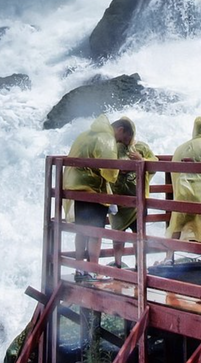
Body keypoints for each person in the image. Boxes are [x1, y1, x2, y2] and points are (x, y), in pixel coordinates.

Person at [63, 115, 134, 281]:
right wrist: (119, 172)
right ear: (120, 130)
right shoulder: (106, 138)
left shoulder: (86, 134)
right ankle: (94, 269)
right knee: (96, 232)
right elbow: (110, 171)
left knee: (81, 230)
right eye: (123, 140)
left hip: (76, 187)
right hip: (93, 188)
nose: (120, 144)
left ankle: (80, 269)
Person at [165, 116, 201, 265]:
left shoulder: (180, 148)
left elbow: (173, 172)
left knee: (176, 224)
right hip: (200, 194)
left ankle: (168, 257)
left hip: (181, 193)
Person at [109, 123, 157, 268]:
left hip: (137, 200)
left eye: (129, 136)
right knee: (118, 234)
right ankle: (117, 263)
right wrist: (119, 170)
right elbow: (106, 167)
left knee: (138, 235)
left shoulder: (141, 147)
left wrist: (141, 160)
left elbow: (155, 163)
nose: (126, 139)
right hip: (118, 200)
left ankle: (139, 265)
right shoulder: (112, 148)